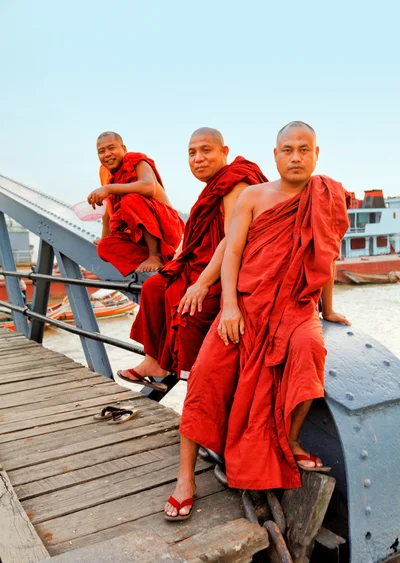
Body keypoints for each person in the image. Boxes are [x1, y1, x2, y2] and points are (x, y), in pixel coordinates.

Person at [165, 121, 351, 520]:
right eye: (288, 149)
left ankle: (290, 441)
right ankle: (185, 478)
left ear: (316, 154)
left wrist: (329, 309)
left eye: (304, 149)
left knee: (311, 350)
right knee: (205, 374)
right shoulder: (253, 196)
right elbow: (232, 253)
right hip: (247, 305)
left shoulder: (326, 196)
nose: (296, 156)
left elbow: (327, 256)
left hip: (296, 307)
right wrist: (228, 306)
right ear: (276, 155)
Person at [117, 127, 267, 390]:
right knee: (153, 288)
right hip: (204, 264)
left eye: (206, 150)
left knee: (189, 310)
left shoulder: (236, 183)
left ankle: (196, 385)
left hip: (230, 270)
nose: (198, 158)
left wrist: (202, 283)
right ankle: (156, 362)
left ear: (224, 152)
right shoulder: (213, 187)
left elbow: (233, 240)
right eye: (192, 153)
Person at [88, 132, 184, 274]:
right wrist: (105, 238)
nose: (107, 154)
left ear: (124, 149)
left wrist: (108, 189)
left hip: (167, 229)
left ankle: (155, 256)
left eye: (111, 148)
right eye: (101, 151)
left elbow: (148, 187)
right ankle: (163, 257)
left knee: (130, 200)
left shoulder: (138, 162)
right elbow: (108, 210)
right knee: (104, 248)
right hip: (140, 237)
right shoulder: (109, 176)